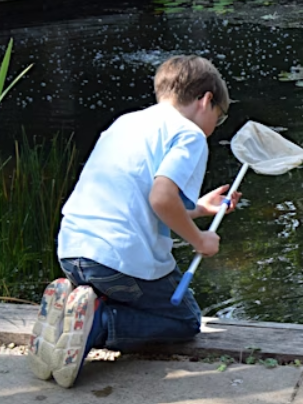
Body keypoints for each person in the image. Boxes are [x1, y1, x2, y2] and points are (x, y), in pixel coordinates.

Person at [26, 55, 242, 388]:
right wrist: (200, 240)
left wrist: (198, 208)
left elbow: (141, 198)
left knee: (130, 292)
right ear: (206, 100)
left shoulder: (126, 122)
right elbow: (160, 198)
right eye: (220, 115)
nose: (215, 124)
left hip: (73, 252)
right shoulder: (190, 134)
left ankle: (68, 313)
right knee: (185, 319)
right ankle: (96, 322)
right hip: (117, 262)